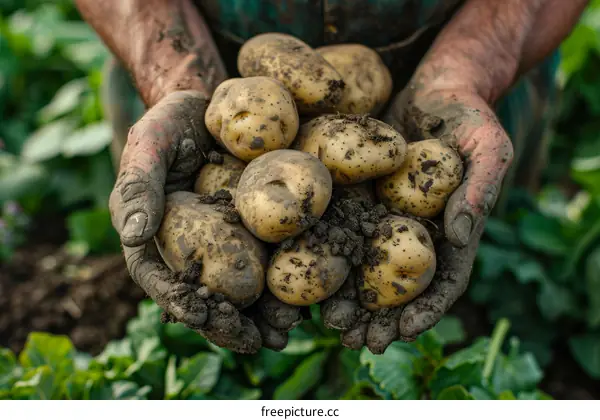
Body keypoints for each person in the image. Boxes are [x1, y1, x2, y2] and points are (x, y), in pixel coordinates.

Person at [75, 0, 589, 354]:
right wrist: (177, 75)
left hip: (477, 55)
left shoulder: (339, 142)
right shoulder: (258, 139)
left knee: (470, 246)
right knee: (209, 298)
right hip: (171, 43)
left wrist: (470, 69)